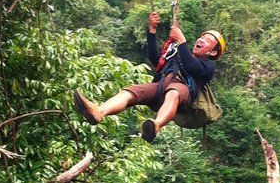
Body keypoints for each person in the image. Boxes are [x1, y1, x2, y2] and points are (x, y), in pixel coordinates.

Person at [73, 12, 226, 143]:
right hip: (161, 87)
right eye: (202, 37)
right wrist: (152, 31)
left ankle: (156, 125)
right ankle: (99, 111)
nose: (201, 40)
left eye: (208, 41)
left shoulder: (208, 66)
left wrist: (181, 40)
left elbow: (192, 66)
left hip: (182, 91)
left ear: (212, 52)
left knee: (173, 93)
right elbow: (156, 59)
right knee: (131, 92)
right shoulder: (179, 56)